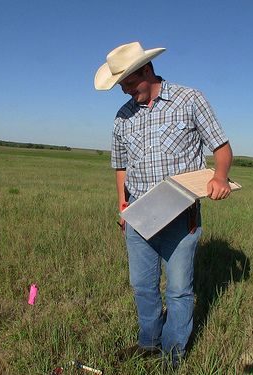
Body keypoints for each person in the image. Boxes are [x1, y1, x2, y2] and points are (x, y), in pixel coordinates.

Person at [94, 42, 233, 366]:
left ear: (146, 71)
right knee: (143, 287)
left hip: (181, 214)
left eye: (128, 82)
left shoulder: (189, 99)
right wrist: (123, 206)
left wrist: (221, 177)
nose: (125, 91)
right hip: (139, 214)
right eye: (121, 85)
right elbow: (121, 166)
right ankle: (148, 344)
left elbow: (221, 147)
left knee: (179, 290)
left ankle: (172, 355)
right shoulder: (122, 117)